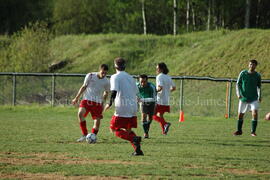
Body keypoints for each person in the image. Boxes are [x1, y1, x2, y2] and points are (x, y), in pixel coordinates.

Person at [104, 57, 143, 156]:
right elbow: (137, 93)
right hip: (133, 107)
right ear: (125, 66)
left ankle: (133, 139)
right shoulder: (130, 77)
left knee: (114, 129)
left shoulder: (115, 77)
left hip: (122, 107)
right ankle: (138, 151)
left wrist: (109, 103)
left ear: (115, 66)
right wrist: (139, 101)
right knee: (128, 130)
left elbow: (114, 91)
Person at [72, 64, 110, 142]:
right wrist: (76, 98)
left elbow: (106, 92)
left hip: (97, 102)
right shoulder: (90, 75)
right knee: (80, 114)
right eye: (102, 72)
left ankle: (93, 136)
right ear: (99, 70)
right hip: (87, 100)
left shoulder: (106, 81)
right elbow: (84, 86)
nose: (104, 75)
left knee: (97, 122)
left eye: (105, 73)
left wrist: (103, 102)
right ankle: (84, 135)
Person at [234, 59, 262, 136]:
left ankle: (253, 132)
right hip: (244, 98)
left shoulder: (258, 75)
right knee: (240, 114)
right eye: (250, 64)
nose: (251, 66)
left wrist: (259, 96)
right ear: (248, 65)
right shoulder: (243, 73)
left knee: (255, 113)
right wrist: (238, 94)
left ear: (256, 66)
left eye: (253, 64)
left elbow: (259, 87)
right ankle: (239, 131)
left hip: (254, 98)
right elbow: (238, 84)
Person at [153, 62, 176, 135]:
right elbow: (174, 88)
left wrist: (154, 91)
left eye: (157, 68)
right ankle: (164, 132)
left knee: (152, 115)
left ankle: (165, 124)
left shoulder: (159, 76)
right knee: (161, 116)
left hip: (159, 99)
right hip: (166, 100)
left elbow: (160, 88)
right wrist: (167, 92)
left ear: (161, 69)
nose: (156, 69)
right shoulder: (168, 77)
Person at [137, 74, 156, 138]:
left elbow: (154, 98)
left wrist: (141, 99)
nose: (142, 83)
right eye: (141, 82)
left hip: (151, 102)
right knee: (143, 116)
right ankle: (145, 133)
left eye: (144, 82)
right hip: (143, 103)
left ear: (147, 81)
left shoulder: (152, 86)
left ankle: (146, 130)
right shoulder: (136, 86)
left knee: (150, 118)